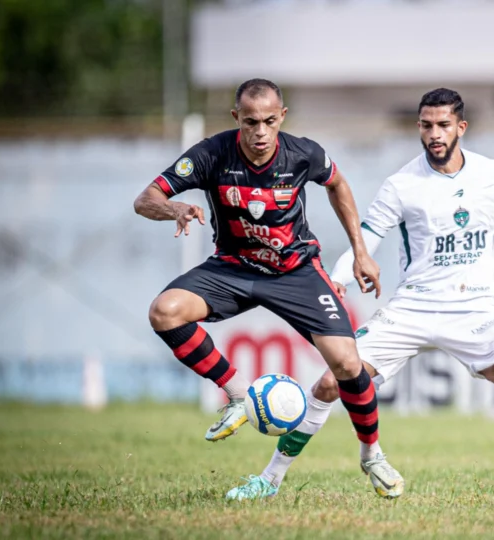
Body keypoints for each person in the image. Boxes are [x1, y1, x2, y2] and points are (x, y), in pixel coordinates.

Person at [226, 88, 494, 504]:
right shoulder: (401, 185)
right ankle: (269, 479)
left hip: (473, 308)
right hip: (413, 308)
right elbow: (366, 240)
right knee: (329, 384)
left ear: (461, 127)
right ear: (419, 128)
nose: (435, 134)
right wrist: (339, 280)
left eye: (444, 125)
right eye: (427, 126)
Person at [133, 78, 401, 494]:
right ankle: (239, 395)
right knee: (164, 311)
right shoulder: (211, 154)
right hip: (234, 268)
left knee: (348, 366)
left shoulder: (302, 153)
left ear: (283, 117)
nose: (260, 132)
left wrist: (361, 251)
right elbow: (145, 198)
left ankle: (372, 455)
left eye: (269, 121)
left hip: (296, 271)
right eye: (251, 121)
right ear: (236, 117)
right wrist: (173, 208)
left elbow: (338, 185)